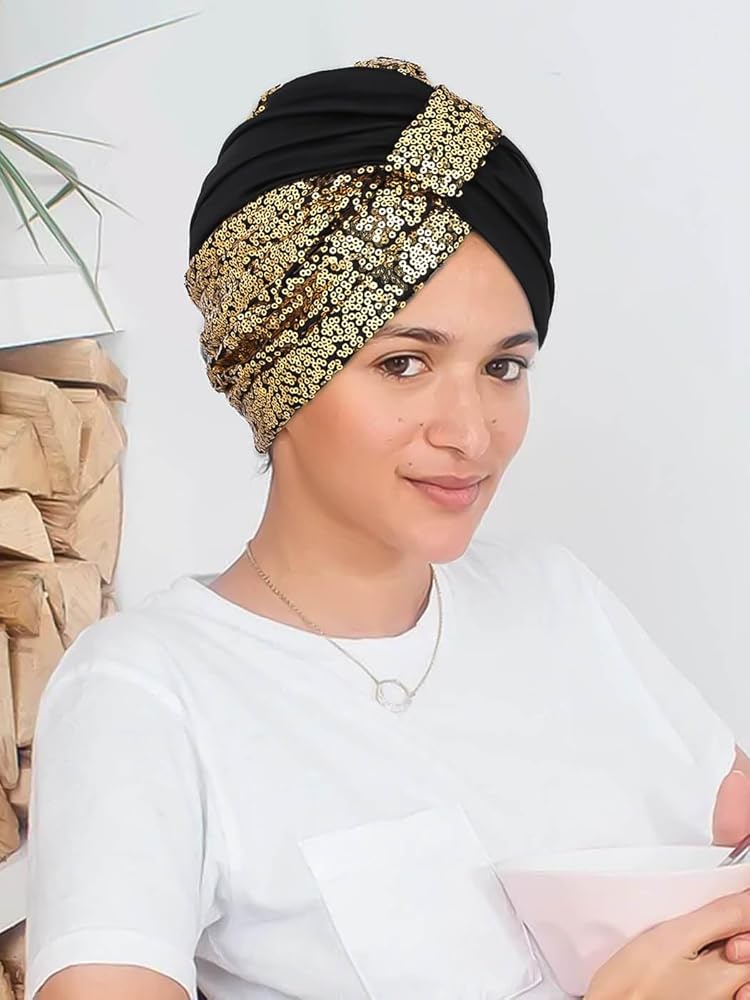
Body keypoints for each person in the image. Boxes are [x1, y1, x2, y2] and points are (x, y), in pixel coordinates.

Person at [24, 56, 750, 1000]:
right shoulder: (147, 692)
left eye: (504, 367)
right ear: (276, 374)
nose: (471, 433)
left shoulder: (553, 595)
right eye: (404, 363)